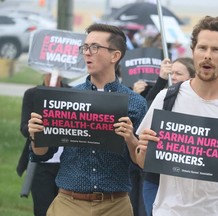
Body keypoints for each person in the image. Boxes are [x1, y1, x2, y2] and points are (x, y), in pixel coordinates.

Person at [135, 16, 218, 216]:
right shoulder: (167, 99)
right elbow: (142, 161)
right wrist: (144, 148)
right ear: (193, 52)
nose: (207, 55)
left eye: (216, 50)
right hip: (168, 211)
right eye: (202, 48)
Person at [28, 23, 147, 216]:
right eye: (85, 47)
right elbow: (43, 154)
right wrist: (37, 137)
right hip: (69, 202)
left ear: (115, 56)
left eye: (94, 47)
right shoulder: (66, 97)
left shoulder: (135, 103)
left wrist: (130, 139)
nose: (87, 53)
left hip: (115, 205)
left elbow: (141, 162)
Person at [142, 57, 195, 216]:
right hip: (155, 180)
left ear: (192, 77)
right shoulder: (164, 97)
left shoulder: (199, 104)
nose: (174, 77)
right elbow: (148, 109)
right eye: (171, 73)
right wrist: (161, 79)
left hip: (185, 182)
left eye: (178, 73)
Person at [17, 73, 69, 216]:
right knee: (43, 209)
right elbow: (23, 128)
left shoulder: (73, 93)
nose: (53, 74)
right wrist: (35, 129)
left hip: (67, 163)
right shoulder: (33, 94)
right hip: (41, 164)